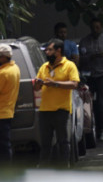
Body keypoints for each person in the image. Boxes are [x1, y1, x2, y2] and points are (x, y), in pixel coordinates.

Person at [34, 39, 79, 167]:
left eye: (49, 50)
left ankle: (64, 168)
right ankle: (44, 170)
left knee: (63, 141)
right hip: (45, 110)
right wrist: (37, 84)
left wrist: (55, 84)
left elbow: (74, 84)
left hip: (61, 110)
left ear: (58, 51)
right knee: (45, 143)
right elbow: (37, 88)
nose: (47, 53)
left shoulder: (69, 65)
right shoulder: (44, 67)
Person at [79, 18, 103, 141]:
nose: (96, 29)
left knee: (102, 102)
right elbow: (80, 59)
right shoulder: (85, 41)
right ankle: (91, 129)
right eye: (93, 27)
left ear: (101, 27)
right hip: (90, 75)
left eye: (98, 27)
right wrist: (91, 57)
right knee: (89, 103)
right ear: (90, 28)